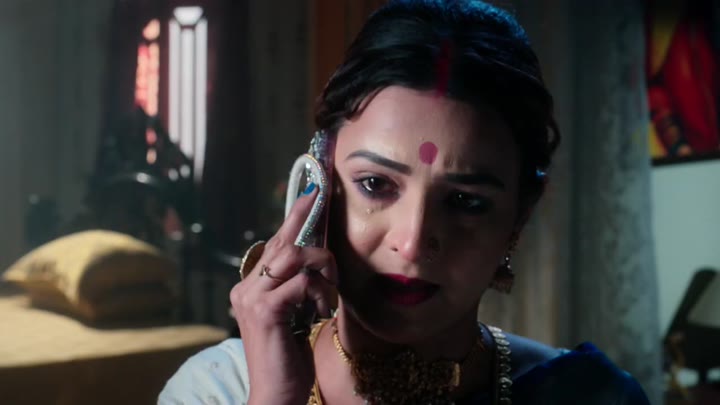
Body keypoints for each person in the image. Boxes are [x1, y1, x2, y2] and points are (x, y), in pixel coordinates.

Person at [159, 0, 651, 403]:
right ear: (317, 185)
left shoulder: (588, 395)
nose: (413, 243)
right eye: (376, 184)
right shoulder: (218, 390)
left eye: (465, 201)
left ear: (519, 216)